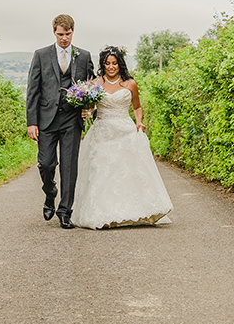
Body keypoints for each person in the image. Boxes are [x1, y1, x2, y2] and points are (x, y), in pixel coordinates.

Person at [72, 46, 173, 229]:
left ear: (120, 64)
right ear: (103, 64)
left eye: (114, 63)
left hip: (124, 130)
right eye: (107, 63)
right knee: (102, 172)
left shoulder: (130, 84)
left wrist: (139, 122)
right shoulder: (96, 83)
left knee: (127, 171)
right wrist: (87, 111)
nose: (111, 67)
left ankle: (132, 211)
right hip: (102, 132)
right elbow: (92, 107)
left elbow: (137, 107)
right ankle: (104, 213)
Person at [26, 14, 95, 229]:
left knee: (69, 166)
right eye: (60, 34)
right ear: (54, 32)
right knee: (46, 164)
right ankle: (50, 192)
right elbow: (33, 91)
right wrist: (31, 122)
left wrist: (88, 108)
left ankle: (65, 211)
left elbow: (91, 87)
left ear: (73, 32)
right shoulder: (41, 55)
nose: (64, 38)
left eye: (67, 34)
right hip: (46, 120)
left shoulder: (83, 56)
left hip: (71, 119)